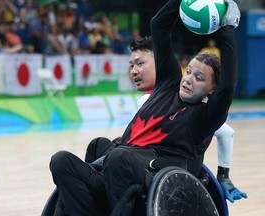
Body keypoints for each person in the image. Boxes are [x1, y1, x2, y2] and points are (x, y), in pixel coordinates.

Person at [50, 0, 243, 215]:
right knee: (61, 160)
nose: (188, 79)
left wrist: (227, 29)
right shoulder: (168, 84)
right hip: (118, 169)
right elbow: (158, 23)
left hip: (152, 177)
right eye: (188, 71)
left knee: (117, 158)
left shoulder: (205, 118)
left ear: (211, 90)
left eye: (199, 78)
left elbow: (227, 88)